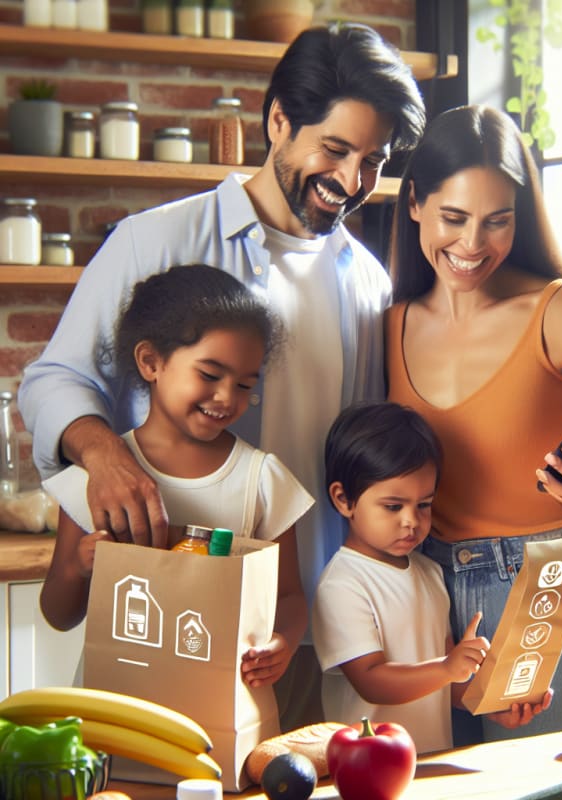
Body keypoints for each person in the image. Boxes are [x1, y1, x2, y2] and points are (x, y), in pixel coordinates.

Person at [18, 22, 426, 728]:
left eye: (374, 160)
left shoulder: (367, 280)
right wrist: (105, 457)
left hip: (296, 632)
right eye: (335, 149)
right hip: (156, 619)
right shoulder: (155, 241)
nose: (353, 182)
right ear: (278, 121)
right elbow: (55, 379)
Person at [384, 105, 562, 745]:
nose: (473, 244)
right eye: (453, 218)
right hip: (418, 593)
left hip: (535, 588)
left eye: (497, 222)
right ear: (416, 205)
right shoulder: (390, 323)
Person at [40, 265, 313, 692]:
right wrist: (78, 566)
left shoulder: (262, 480)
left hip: (217, 704)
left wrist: (284, 641)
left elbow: (290, 596)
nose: (227, 397)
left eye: (244, 385)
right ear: (151, 361)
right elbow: (58, 614)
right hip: (115, 706)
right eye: (209, 375)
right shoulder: (97, 480)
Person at [312, 401, 551, 754]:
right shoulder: (343, 583)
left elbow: (448, 686)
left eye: (423, 504)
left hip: (430, 763)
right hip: (365, 767)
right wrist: (446, 667)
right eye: (393, 507)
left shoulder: (429, 572)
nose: (411, 520)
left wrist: (492, 703)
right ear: (343, 499)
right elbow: (371, 681)